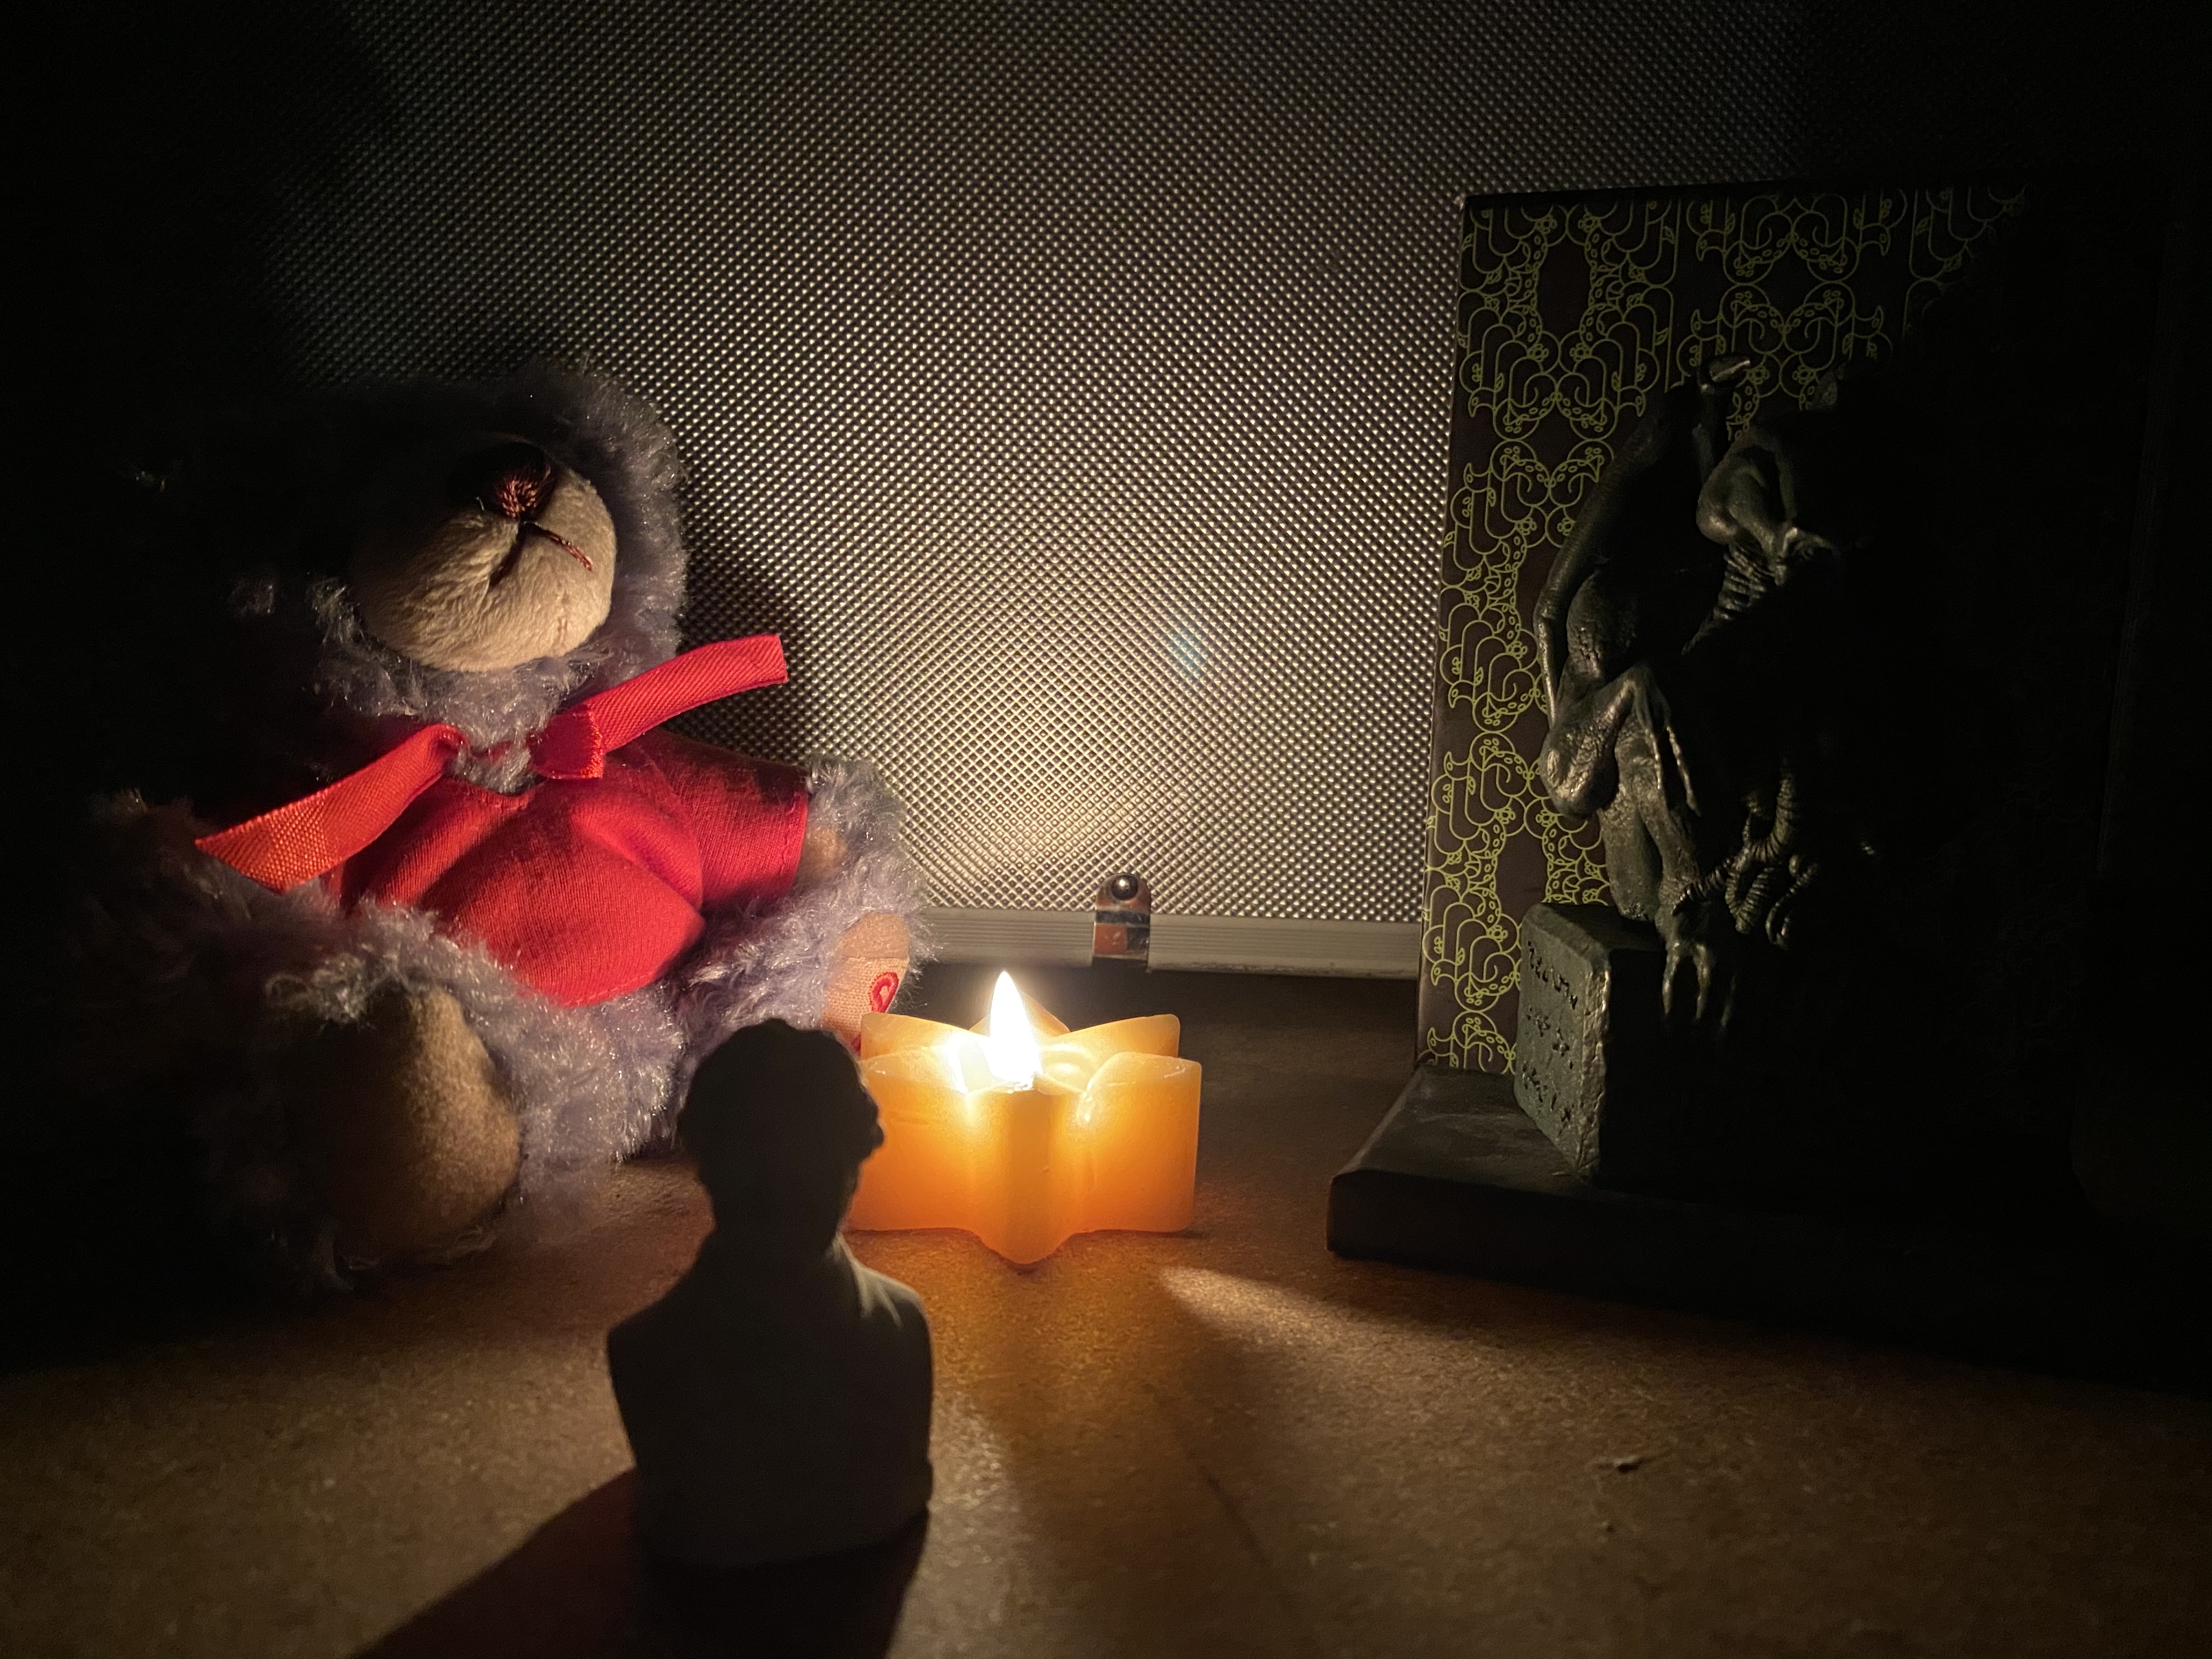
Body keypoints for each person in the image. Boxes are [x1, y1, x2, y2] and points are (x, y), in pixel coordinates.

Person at [608, 1020, 933, 1565]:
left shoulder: (901, 1328)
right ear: (709, 1171)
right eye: (757, 1175)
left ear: (855, 1166)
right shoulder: (645, 1354)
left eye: (812, 1170)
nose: (784, 1198)